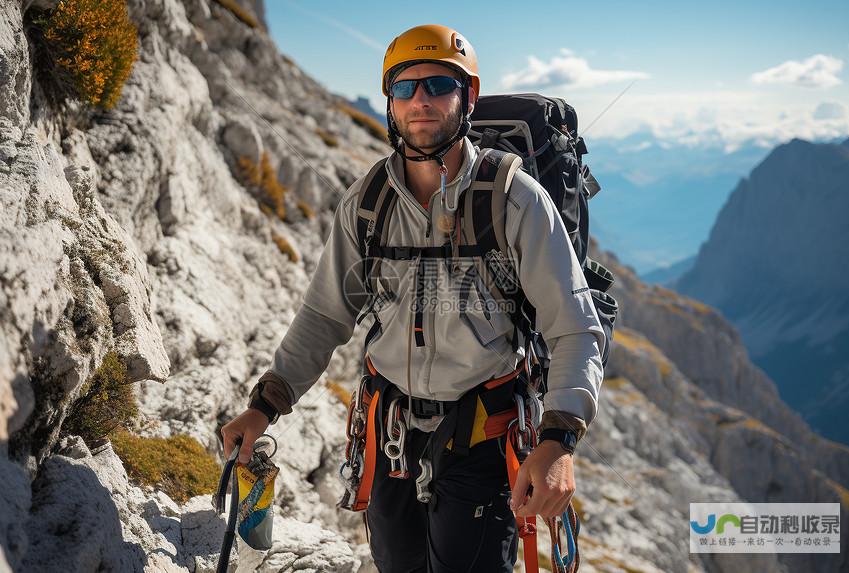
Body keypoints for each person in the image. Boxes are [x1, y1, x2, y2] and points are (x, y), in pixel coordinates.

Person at [221, 24, 606, 572]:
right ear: (390, 103)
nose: (420, 100)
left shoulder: (515, 199)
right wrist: (264, 406)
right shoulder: (368, 203)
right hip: (390, 434)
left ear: (467, 97)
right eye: (404, 88)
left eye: (438, 84)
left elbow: (574, 327)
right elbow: (325, 314)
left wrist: (559, 440)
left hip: (482, 437)